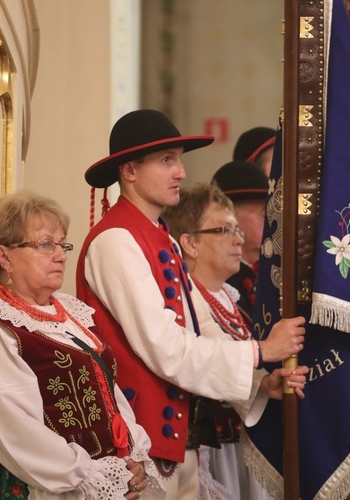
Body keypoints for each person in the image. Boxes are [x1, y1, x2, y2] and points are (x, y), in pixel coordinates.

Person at [76, 109, 306, 499]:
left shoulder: (161, 237)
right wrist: (260, 350)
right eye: (167, 161)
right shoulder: (115, 240)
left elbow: (202, 325)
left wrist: (258, 384)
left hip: (176, 445)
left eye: (179, 159)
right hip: (136, 447)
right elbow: (164, 346)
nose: (181, 172)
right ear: (129, 171)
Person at [0, 190, 163, 499]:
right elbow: (12, 424)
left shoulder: (70, 313)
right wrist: (91, 477)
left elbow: (109, 395)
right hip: (39, 486)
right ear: (4, 256)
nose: (61, 255)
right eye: (45, 244)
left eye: (62, 244)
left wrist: (131, 457)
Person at [163, 183, 308, 500]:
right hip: (212, 451)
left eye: (237, 229)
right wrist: (266, 351)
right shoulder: (181, 302)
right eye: (224, 230)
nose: (239, 238)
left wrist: (264, 384)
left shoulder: (228, 299)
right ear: (189, 243)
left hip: (241, 445)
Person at [211, 160, 269, 320]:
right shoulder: (216, 278)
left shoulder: (273, 269)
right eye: (264, 215)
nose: (274, 223)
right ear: (231, 217)